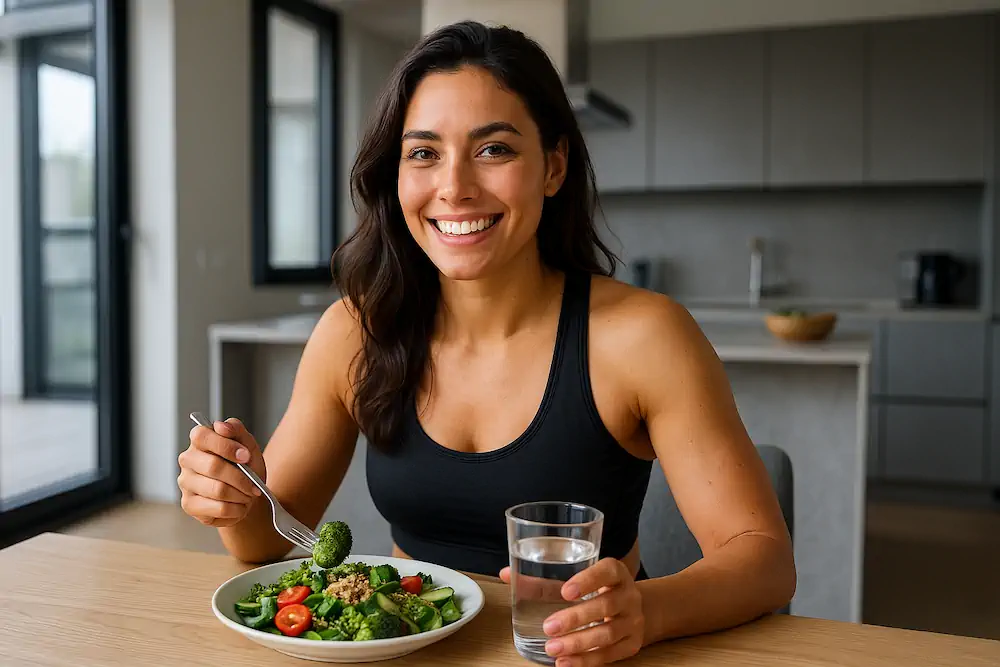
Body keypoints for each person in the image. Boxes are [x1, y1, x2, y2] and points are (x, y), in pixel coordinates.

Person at [177, 20, 795, 666]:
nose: (454, 187)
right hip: (408, 650)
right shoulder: (355, 331)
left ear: (553, 166)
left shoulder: (646, 337)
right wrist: (233, 497)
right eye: (423, 153)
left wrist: (650, 610)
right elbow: (266, 540)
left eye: (493, 149)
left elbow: (765, 556)